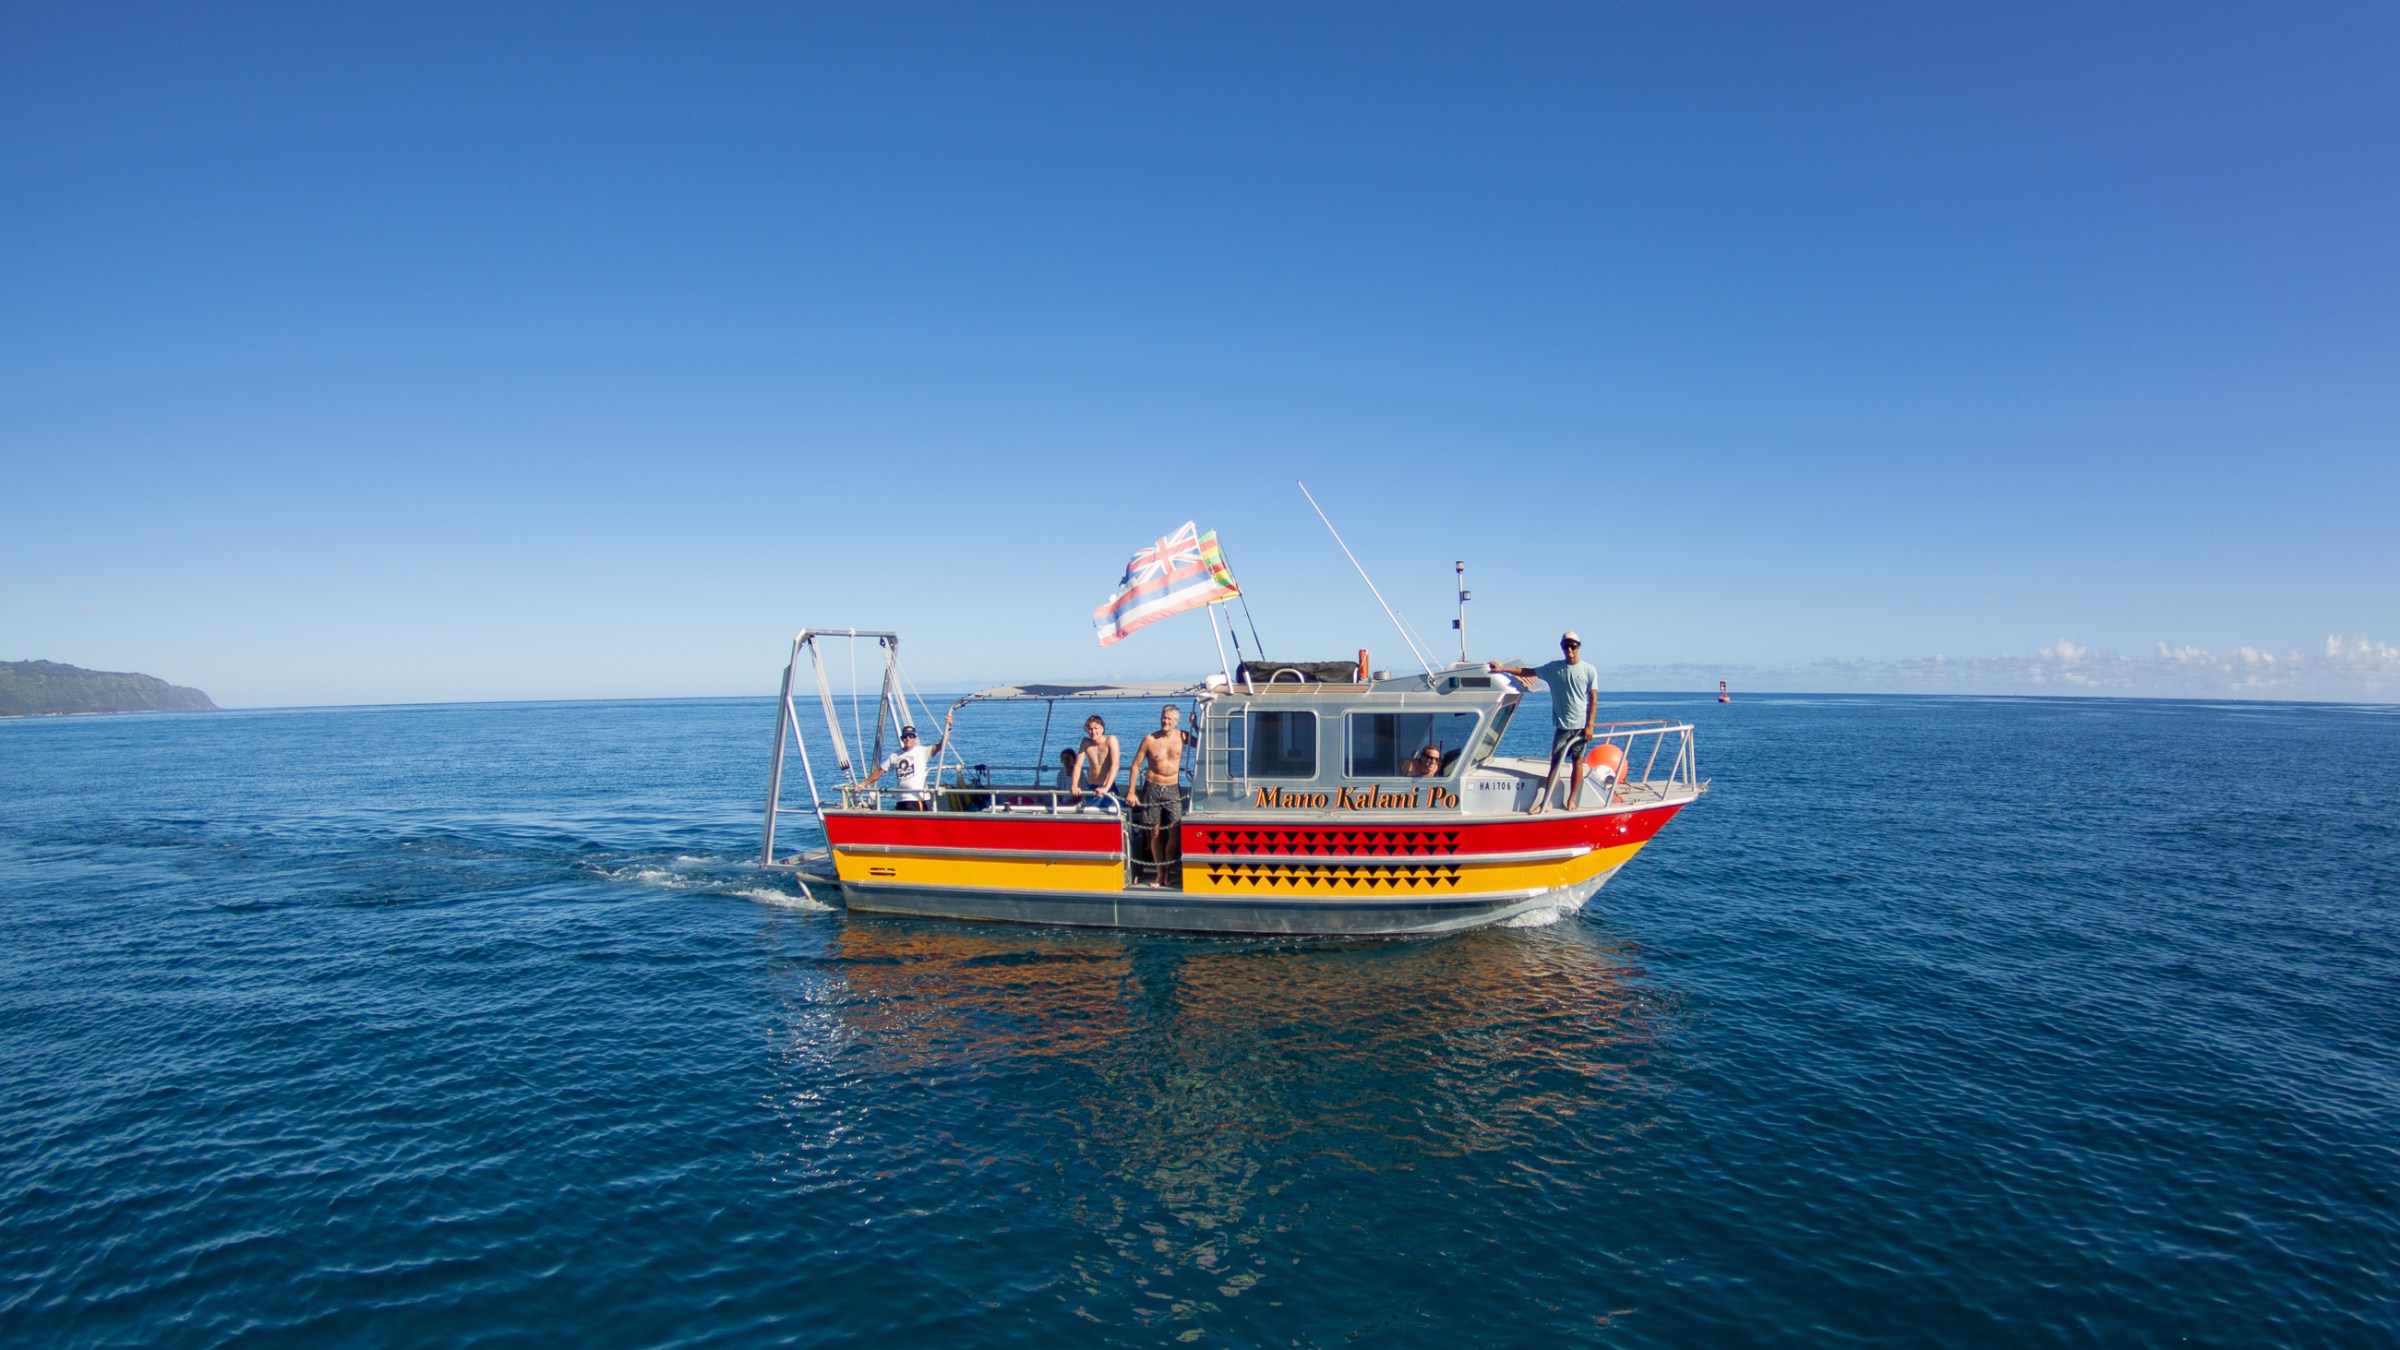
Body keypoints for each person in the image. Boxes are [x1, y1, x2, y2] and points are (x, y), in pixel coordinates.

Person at [1491, 631, 1599, 814]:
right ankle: (1546, 802)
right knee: (1555, 763)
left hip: (1580, 726)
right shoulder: (1553, 668)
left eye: (1573, 646)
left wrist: (1590, 725)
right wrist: (1502, 669)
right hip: (1562, 726)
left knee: (1577, 762)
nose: (1570, 649)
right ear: (1562, 647)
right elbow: (1528, 671)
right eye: (1566, 646)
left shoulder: (1589, 670)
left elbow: (1593, 699)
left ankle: (1571, 799)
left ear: (1579, 647)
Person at [1126, 704, 1195, 884]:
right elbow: (1135, 766)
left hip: (1173, 788)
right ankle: (1159, 874)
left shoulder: (1182, 736)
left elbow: (1204, 742)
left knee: (1174, 832)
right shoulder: (1150, 739)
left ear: (1176, 721)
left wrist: (1194, 725)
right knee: (1155, 833)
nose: (1165, 721)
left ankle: (1167, 871)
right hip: (1153, 788)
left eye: (1169, 718)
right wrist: (1132, 791)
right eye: (1163, 718)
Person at [861, 711, 951, 811]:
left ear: (915, 738)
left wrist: (948, 727)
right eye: (905, 736)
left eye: (911, 736)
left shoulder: (922, 752)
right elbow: (879, 772)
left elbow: (941, 745)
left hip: (918, 800)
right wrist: (863, 784)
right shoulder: (895, 755)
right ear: (902, 739)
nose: (908, 739)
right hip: (901, 800)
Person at [1070, 715, 1121, 806]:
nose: (1093, 731)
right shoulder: (1085, 742)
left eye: (1096, 728)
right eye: (1090, 729)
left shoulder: (1111, 740)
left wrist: (1106, 787)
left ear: (1102, 728)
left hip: (1108, 786)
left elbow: (1115, 765)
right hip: (1092, 786)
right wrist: (1074, 785)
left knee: (1112, 813)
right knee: (1091, 813)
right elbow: (1078, 765)